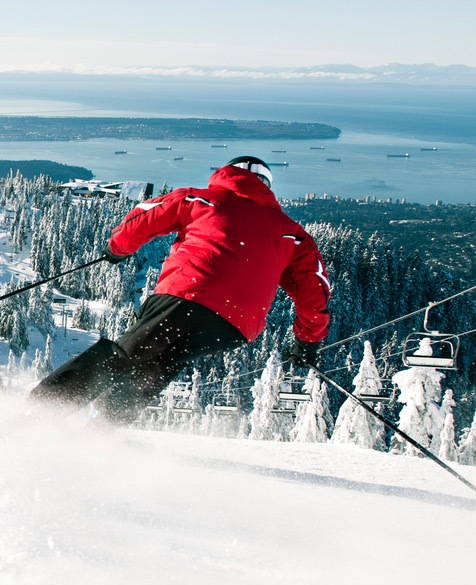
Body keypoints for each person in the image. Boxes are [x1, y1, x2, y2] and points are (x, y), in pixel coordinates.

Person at [30, 155, 331, 417]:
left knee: (123, 355)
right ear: (266, 186)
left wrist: (117, 248)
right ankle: (103, 431)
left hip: (187, 296)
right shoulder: (293, 234)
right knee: (155, 366)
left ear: (226, 174)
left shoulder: (201, 198)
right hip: (234, 328)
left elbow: (145, 217)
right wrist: (307, 341)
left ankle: (41, 413)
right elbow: (314, 289)